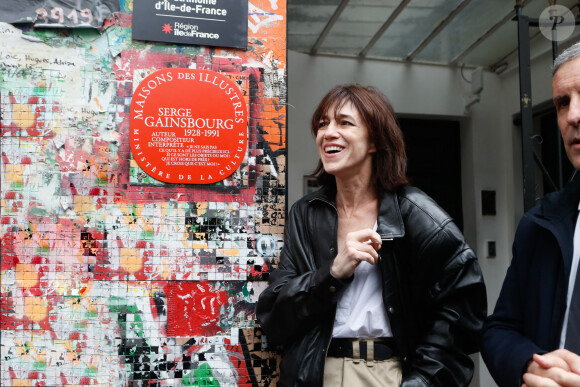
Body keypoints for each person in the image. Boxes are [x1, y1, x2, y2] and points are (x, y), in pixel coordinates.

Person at [256, 84, 487, 386]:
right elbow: (275, 315)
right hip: (312, 374)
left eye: (344, 122)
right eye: (323, 123)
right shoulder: (306, 213)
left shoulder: (416, 214)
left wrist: (422, 381)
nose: (328, 132)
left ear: (375, 140)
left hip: (383, 374)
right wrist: (332, 274)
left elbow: (462, 315)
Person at [481, 42, 580, 387]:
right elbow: (499, 330)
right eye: (562, 102)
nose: (573, 116)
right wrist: (529, 365)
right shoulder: (539, 226)